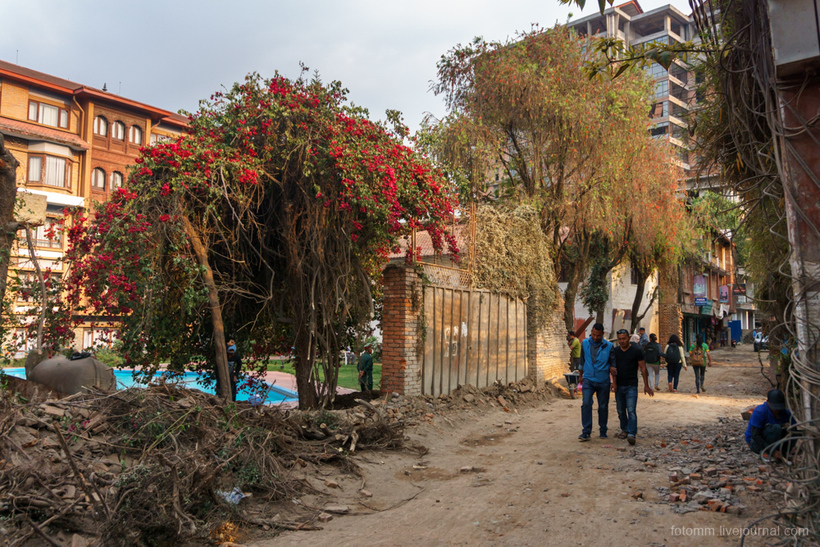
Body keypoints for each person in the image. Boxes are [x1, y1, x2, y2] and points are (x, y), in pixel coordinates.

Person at [612, 328, 654, 445]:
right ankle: (624, 429)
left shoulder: (636, 350)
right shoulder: (615, 351)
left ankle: (631, 433)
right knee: (620, 410)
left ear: (629, 338)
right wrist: (614, 384)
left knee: (631, 410)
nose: (622, 341)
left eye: (624, 338)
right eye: (620, 339)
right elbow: (613, 370)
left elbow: (643, 368)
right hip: (619, 385)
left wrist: (646, 385)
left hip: (631, 385)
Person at [578, 323, 615, 442]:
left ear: (603, 334)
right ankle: (586, 431)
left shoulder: (609, 346)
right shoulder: (584, 343)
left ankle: (603, 429)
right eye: (593, 334)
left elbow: (613, 364)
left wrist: (613, 380)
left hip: (603, 381)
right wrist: (580, 376)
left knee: (603, 406)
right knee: (586, 404)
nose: (595, 337)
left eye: (598, 335)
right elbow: (581, 360)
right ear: (591, 332)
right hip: (588, 379)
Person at [745, 389, 795, 458]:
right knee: (775, 428)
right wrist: (772, 451)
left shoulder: (785, 413)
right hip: (756, 442)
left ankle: (783, 452)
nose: (777, 410)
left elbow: (796, 427)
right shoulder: (760, 412)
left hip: (774, 440)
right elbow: (755, 435)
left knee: (793, 431)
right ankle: (766, 453)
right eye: (775, 408)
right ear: (768, 402)